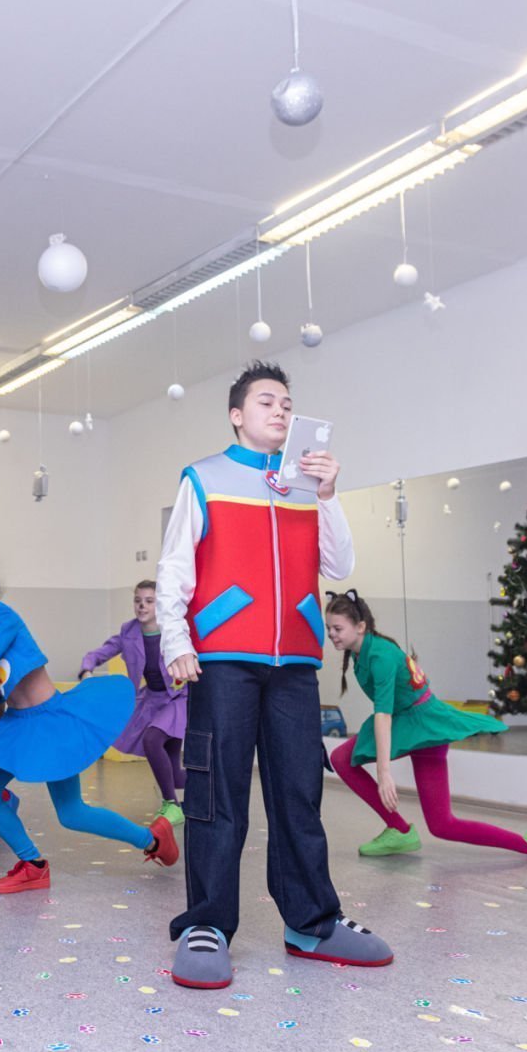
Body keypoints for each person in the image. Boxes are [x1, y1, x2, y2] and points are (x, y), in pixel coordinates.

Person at [157, 361, 392, 992]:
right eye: (267, 402)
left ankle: (311, 923)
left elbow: (338, 565)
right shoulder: (204, 477)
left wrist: (328, 494)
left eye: (287, 403)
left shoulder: (305, 486)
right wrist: (176, 640)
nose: (281, 411)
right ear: (237, 415)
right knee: (217, 793)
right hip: (223, 657)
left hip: (295, 661)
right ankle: (207, 925)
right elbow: (175, 566)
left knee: (298, 793)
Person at [0, 555, 178, 894]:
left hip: (50, 723)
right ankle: (32, 865)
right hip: (17, 724)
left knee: (72, 813)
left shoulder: (3, 616)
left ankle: (152, 839)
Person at [324, 592, 527, 859]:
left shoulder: (380, 655)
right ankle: (399, 829)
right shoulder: (360, 653)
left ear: (360, 626)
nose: (331, 634)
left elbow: (383, 715)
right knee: (341, 758)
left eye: (337, 628)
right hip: (407, 722)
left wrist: (384, 773)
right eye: (329, 628)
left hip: (423, 726)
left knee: (442, 826)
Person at [81, 580, 187, 826]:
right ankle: (212, 783)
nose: (142, 606)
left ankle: (172, 805)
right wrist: (87, 668)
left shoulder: (174, 629)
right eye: (138, 601)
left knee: (152, 740)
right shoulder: (129, 631)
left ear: (160, 605)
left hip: (178, 699)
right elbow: (101, 652)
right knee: (174, 775)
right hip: (152, 700)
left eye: (149, 601)